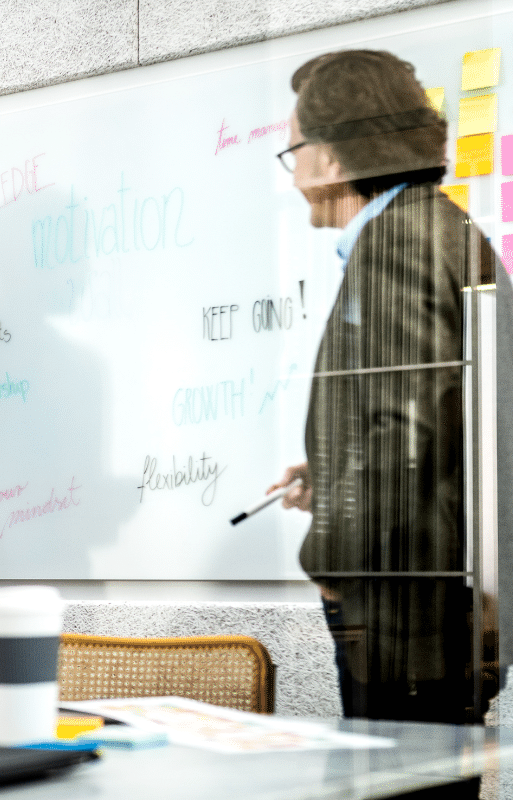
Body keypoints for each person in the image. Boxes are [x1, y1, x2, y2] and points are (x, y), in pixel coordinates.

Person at [267, 50, 507, 727]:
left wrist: (329, 561)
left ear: (337, 160)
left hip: (407, 610)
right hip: (443, 598)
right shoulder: (443, 228)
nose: (293, 177)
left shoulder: (397, 245)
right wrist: (335, 471)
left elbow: (404, 433)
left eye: (295, 153)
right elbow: (437, 414)